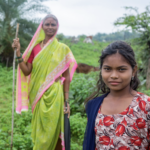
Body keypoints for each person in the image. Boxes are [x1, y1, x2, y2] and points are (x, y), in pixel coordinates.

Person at [12, 14, 77, 150]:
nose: (50, 27)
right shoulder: (35, 48)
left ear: (57, 27)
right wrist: (18, 52)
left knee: (57, 130)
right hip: (38, 95)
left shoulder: (62, 49)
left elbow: (66, 77)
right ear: (42, 26)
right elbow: (26, 71)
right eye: (47, 24)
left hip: (55, 95)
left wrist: (66, 101)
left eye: (53, 24)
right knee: (41, 130)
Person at [83, 41, 150, 150]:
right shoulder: (94, 105)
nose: (114, 76)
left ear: (133, 71)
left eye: (121, 69)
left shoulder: (145, 105)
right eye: (107, 69)